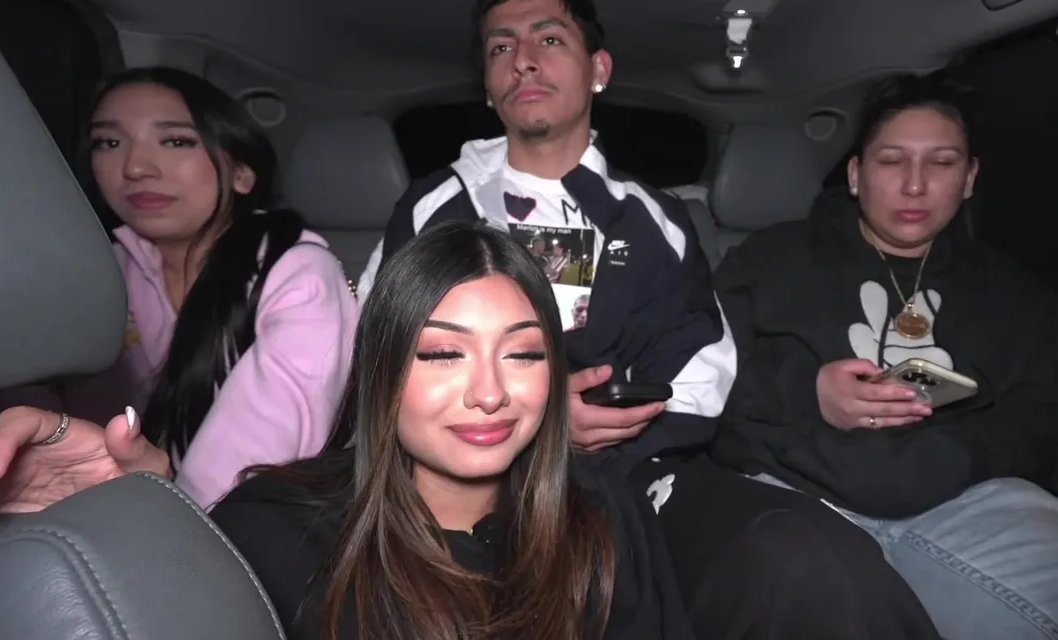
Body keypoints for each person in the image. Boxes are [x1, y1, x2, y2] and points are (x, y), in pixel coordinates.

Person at [649, 73, 1058, 639]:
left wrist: (953, 457)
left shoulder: (1016, 296)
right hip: (792, 487)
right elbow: (696, 379)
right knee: (815, 586)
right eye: (891, 161)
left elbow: (1043, 435)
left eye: (941, 162)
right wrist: (809, 393)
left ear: (969, 178)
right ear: (856, 175)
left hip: (963, 501)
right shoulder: (770, 260)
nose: (915, 185)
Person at [210, 221, 696, 640]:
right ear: (382, 369)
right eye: (445, 355)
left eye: (522, 354)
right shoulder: (271, 536)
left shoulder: (605, 521)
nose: (490, 393)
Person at [356, 0, 735, 471]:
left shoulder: (654, 220)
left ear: (598, 70)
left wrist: (619, 437)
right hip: (459, 477)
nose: (523, 62)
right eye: (501, 48)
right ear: (488, 85)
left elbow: (702, 373)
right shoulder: (434, 208)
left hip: (621, 478)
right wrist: (545, 424)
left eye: (550, 40)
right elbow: (378, 355)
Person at [0, 67, 356, 509]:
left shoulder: (297, 273)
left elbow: (249, 471)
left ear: (241, 173)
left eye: (176, 141)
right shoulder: (96, 272)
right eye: (109, 143)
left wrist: (161, 509)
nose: (135, 167)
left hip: (222, 527)